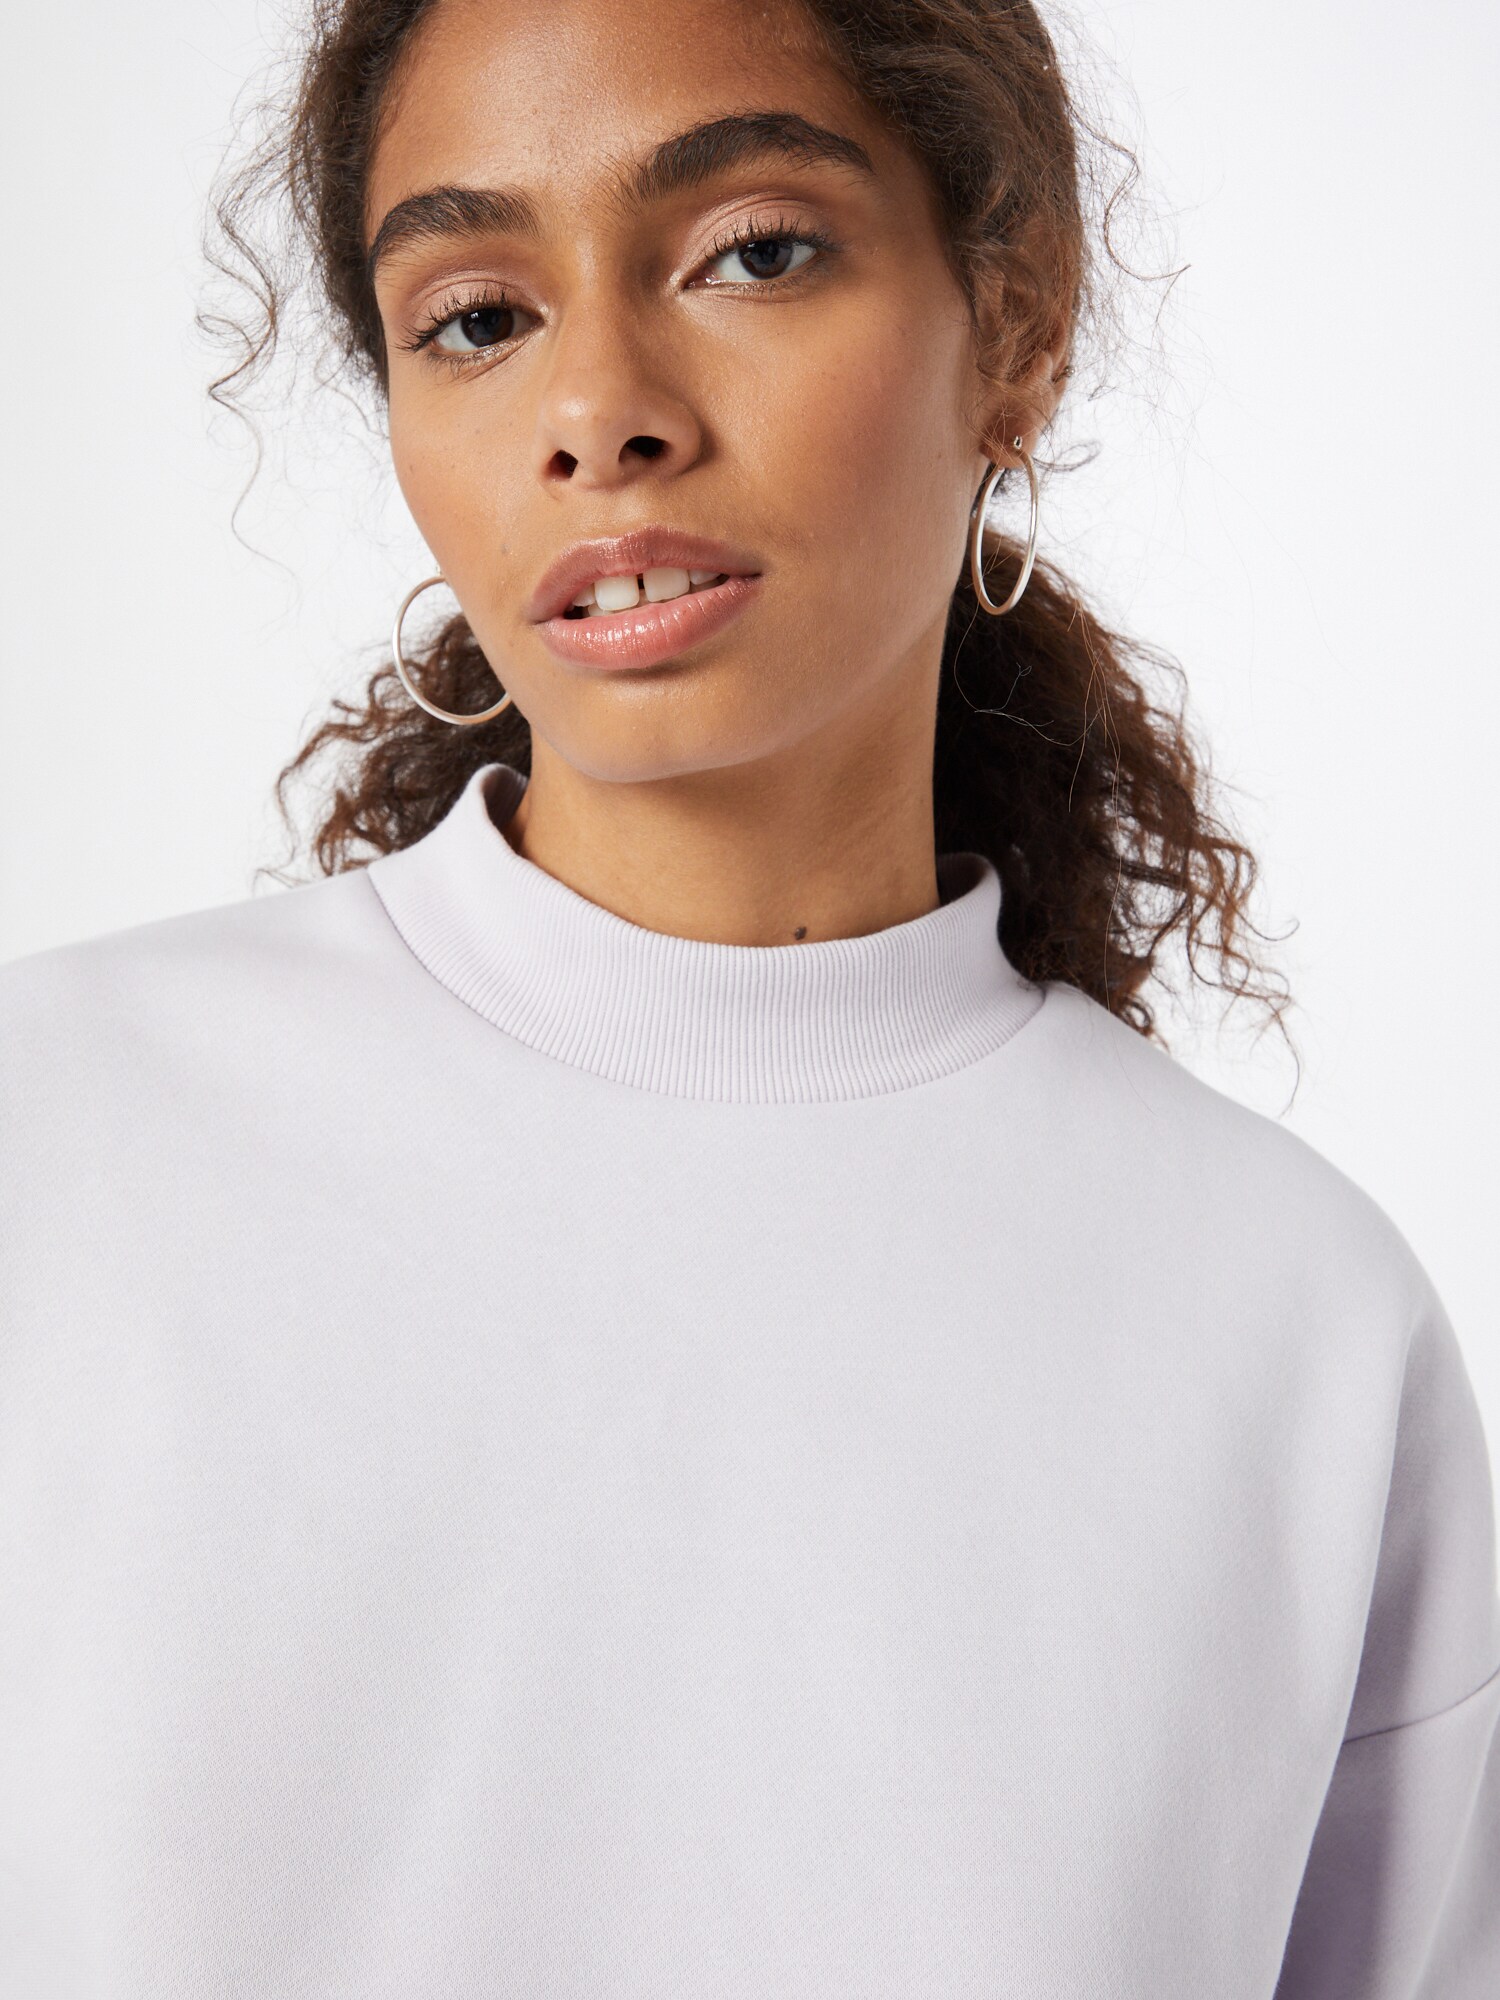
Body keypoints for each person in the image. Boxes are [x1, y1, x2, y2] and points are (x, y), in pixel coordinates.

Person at [2, 0, 1496, 1992]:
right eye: (476, 317)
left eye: (753, 252)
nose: (595, 409)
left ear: (1016, 321)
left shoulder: (1293, 1322)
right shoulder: (56, 1143)